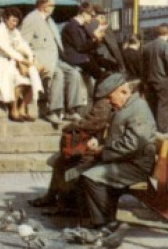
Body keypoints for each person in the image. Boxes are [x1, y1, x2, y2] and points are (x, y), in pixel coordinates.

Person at [68, 74, 157, 249]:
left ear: (123, 91)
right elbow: (117, 136)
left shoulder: (138, 109)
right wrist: (99, 143)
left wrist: (102, 151)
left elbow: (132, 144)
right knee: (78, 172)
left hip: (135, 166)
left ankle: (104, 225)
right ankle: (95, 220)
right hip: (124, 160)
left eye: (110, 97)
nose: (109, 102)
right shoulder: (126, 106)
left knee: (91, 177)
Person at [32, 77, 117, 214]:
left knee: (70, 165)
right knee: (62, 161)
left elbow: (95, 123)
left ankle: (65, 205)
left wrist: (73, 126)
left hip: (102, 151)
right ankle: (53, 198)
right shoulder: (104, 101)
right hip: (97, 144)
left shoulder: (104, 103)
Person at [0, 9, 41, 121]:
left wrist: (30, 57)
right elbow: (6, 49)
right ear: (6, 19)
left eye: (17, 21)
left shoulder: (15, 31)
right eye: (13, 20)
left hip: (13, 59)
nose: (15, 23)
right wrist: (22, 60)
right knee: (15, 76)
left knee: (33, 75)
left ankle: (22, 108)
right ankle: (13, 109)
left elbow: (22, 45)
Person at [21, 0, 64, 121]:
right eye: (52, 5)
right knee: (58, 75)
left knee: (68, 74)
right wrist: (32, 61)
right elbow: (23, 42)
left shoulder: (49, 20)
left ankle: (57, 109)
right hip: (41, 60)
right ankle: (51, 110)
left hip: (53, 59)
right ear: (45, 6)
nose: (54, 8)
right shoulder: (31, 19)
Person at [141, 24, 168, 135]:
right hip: (165, 83)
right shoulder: (167, 46)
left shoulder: (147, 46)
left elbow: (143, 66)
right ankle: (160, 134)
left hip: (150, 82)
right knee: (164, 109)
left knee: (152, 108)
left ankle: (151, 133)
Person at [57, 3, 98, 118]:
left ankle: (88, 111)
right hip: (74, 59)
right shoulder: (72, 26)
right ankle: (74, 110)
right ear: (84, 14)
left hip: (80, 58)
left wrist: (95, 40)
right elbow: (80, 46)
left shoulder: (79, 26)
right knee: (98, 76)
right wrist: (95, 40)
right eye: (91, 16)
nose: (92, 19)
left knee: (97, 77)